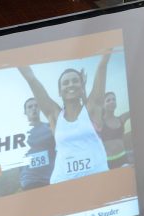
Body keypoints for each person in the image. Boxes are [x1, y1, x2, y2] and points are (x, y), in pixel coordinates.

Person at [18, 52, 111, 184]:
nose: (70, 85)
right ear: (59, 91)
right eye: (65, 83)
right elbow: (31, 79)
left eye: (75, 81)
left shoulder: (92, 109)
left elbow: (102, 65)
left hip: (97, 180)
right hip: (63, 182)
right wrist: (15, 56)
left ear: (81, 87)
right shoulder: (55, 115)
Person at [19, 97, 56, 190]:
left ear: (40, 109)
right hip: (30, 181)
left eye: (36, 106)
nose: (33, 108)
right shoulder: (19, 134)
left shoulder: (50, 128)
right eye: (30, 107)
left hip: (51, 179)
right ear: (25, 112)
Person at [98, 91, 132, 169]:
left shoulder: (121, 119)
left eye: (114, 99)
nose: (112, 101)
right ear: (103, 105)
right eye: (108, 100)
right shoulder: (100, 122)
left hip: (123, 158)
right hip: (108, 162)